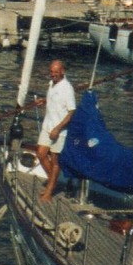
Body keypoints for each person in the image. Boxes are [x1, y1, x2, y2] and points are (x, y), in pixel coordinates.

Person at [37, 59, 76, 202]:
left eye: (55, 72)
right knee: (40, 153)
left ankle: (49, 190)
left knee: (55, 161)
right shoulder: (51, 84)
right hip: (47, 126)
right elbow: (56, 101)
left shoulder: (67, 88)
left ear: (62, 72)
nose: (52, 74)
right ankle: (54, 184)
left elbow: (71, 111)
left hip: (59, 131)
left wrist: (58, 128)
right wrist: (45, 101)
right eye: (51, 71)